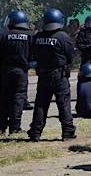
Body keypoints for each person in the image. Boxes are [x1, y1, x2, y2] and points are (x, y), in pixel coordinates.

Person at [27, 8, 77, 142]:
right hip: (59, 75)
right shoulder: (63, 36)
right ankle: (67, 132)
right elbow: (71, 56)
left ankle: (35, 132)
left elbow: (33, 54)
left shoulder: (38, 37)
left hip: (43, 74)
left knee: (41, 104)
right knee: (64, 104)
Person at [0, 9, 33, 135]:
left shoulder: (2, 35)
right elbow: (34, 55)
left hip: (5, 71)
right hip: (21, 71)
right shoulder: (29, 36)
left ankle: (1, 128)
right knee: (18, 98)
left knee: (3, 98)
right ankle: (15, 127)